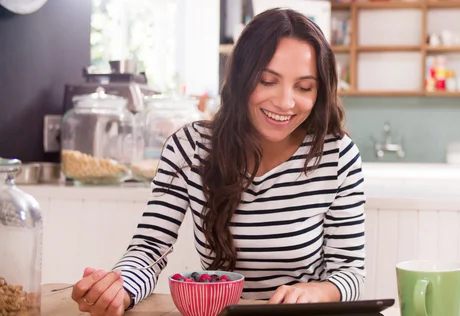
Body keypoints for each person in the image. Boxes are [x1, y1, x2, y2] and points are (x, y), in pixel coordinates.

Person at [70, 7, 366, 315]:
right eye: (267, 80)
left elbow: (350, 272)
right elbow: (149, 250)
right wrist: (120, 289)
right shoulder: (190, 148)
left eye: (304, 87)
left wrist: (314, 292)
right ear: (241, 78)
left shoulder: (337, 155)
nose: (285, 102)